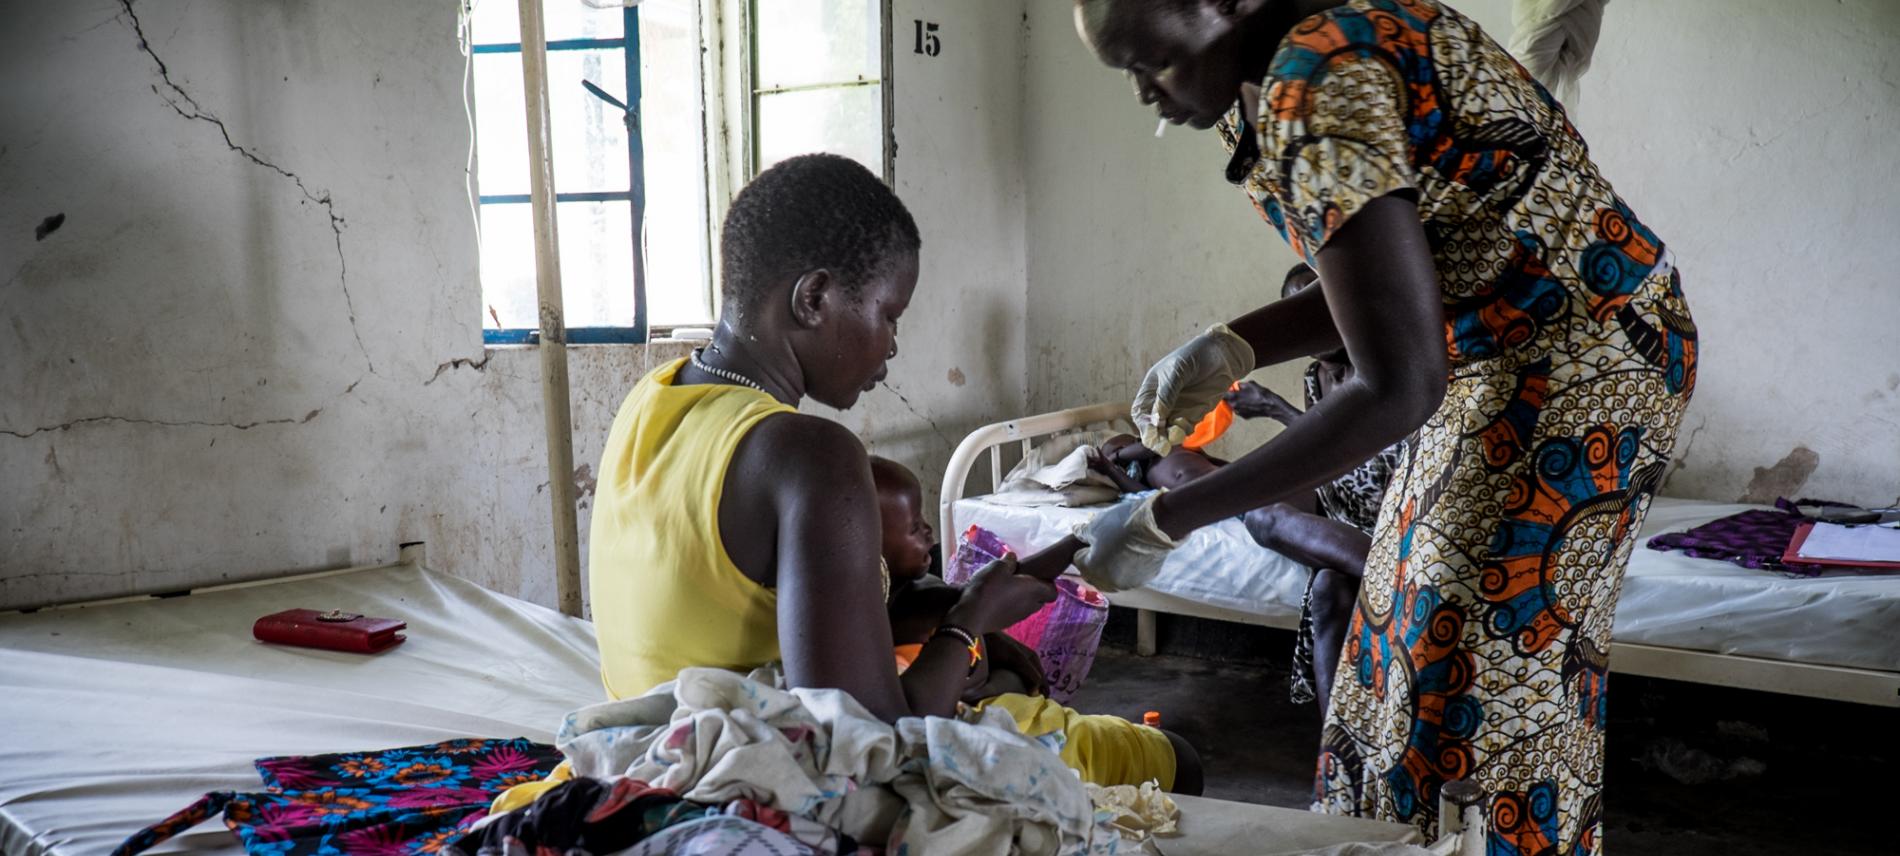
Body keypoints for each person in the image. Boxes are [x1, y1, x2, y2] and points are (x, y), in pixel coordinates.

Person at [1067, 1, 1698, 850]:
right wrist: (1239, 343)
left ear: (1222, 5)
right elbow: (1394, 282)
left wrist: (1169, 516)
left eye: (1153, 61)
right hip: (1493, 355)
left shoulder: (1321, 77)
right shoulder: (1272, 83)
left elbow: (1399, 387)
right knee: (1391, 648)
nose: (1145, 92)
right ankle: (1384, 842)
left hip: (1581, 363)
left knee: (1476, 676)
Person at [588, 153, 1058, 724]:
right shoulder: (811, 453)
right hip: (756, 780)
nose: (891, 346)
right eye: (889, 315)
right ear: (813, 298)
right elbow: (869, 738)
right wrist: (969, 623)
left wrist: (948, 619)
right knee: (1168, 756)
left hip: (643, 756)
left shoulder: (651, 398)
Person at [872, 457, 1204, 794]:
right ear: (869, 548)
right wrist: (1002, 675)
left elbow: (1012, 582)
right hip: (1010, 746)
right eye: (915, 527)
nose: (929, 531)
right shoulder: (904, 622)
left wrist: (1078, 543)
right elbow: (936, 710)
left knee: (1172, 754)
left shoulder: (919, 593)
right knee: (1180, 759)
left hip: (1022, 720)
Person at [1230, 265, 1406, 718]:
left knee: (1327, 581)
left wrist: (1274, 407)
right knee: (1264, 518)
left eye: (1324, 309)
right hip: (1340, 514)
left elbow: (1370, 455)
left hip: (1391, 511)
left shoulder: (1380, 366)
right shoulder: (1316, 377)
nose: (1315, 325)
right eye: (1302, 316)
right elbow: (1320, 457)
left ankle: (1392, 573)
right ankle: (1336, 751)